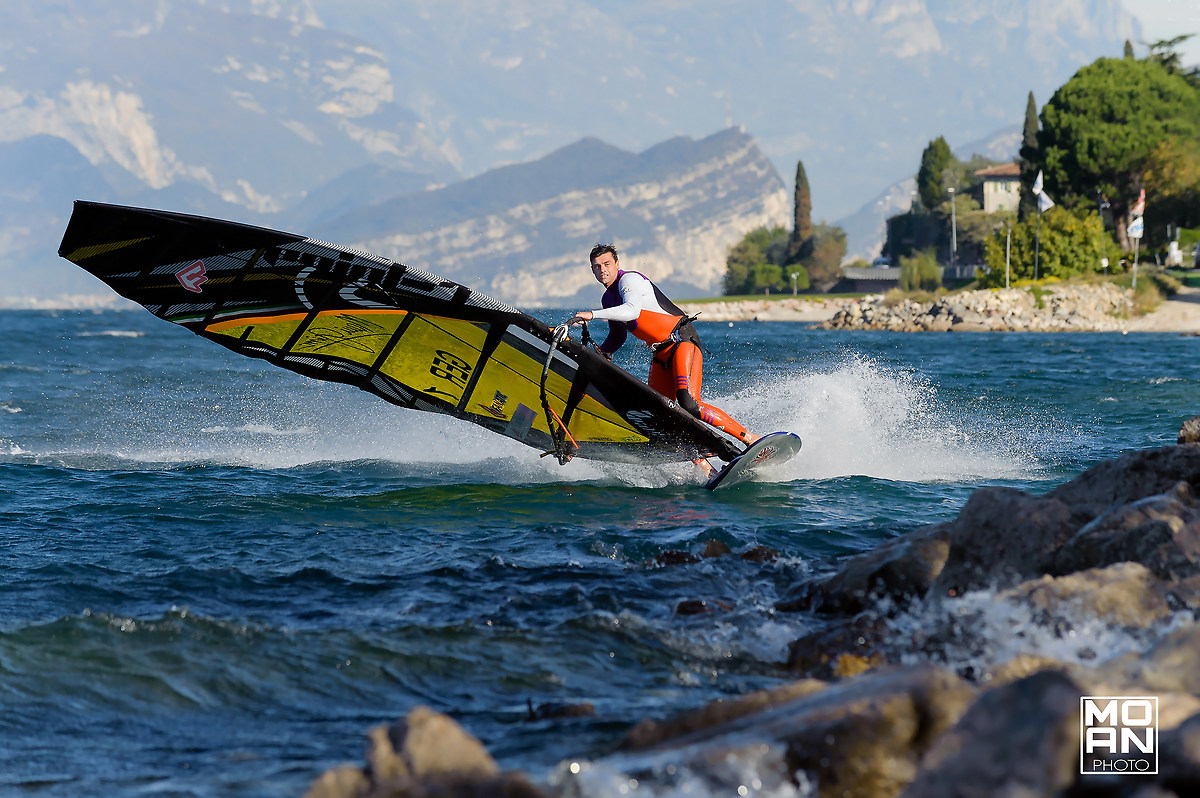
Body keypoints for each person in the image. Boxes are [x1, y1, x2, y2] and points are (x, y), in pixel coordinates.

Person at [569, 243, 758, 476]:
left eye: (607, 264)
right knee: (660, 417)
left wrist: (592, 315)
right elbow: (617, 335)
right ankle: (708, 469)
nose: (602, 270)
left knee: (689, 403)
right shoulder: (608, 299)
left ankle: (750, 439)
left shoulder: (629, 281)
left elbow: (631, 312)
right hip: (661, 355)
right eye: (596, 267)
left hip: (682, 342)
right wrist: (598, 358)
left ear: (617, 264)